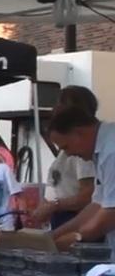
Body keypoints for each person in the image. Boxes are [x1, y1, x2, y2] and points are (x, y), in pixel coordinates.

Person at [48, 106, 115, 255]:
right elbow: (97, 204)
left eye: (66, 147)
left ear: (79, 132)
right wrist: (54, 236)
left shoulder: (111, 151)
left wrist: (78, 237)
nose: (69, 154)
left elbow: (111, 212)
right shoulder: (102, 151)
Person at [32, 86, 98, 228]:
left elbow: (88, 195)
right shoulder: (70, 146)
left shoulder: (82, 151)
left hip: (75, 217)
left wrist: (54, 205)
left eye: (61, 104)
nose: (55, 109)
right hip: (62, 216)